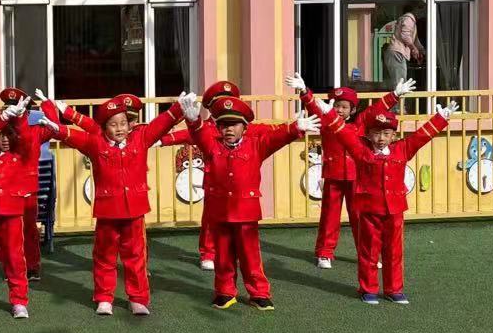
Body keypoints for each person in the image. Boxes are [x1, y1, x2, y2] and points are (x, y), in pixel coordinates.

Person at [301, 75, 455, 305]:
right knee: (368, 251)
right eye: (376, 133)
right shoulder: (361, 150)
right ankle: (368, 288)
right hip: (369, 208)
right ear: (368, 133)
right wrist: (326, 110)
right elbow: (342, 132)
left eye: (386, 134)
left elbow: (421, 137)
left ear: (394, 135)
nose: (381, 138)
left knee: (394, 252)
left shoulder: (401, 149)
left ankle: (394, 289)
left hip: (395, 210)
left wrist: (440, 119)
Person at [41, 91, 186, 316]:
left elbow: (160, 125)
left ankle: (138, 298)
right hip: (108, 211)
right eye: (113, 124)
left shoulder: (141, 138)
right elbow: (73, 136)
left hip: (135, 211)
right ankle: (104, 297)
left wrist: (177, 109)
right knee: (104, 257)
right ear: (104, 127)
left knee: (136, 258)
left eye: (123, 123)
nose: (119, 129)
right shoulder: (95, 143)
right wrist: (57, 128)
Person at [186, 93, 318, 310]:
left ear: (245, 127)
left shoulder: (255, 145)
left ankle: (258, 293)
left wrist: (296, 128)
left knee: (250, 255)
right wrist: (193, 121)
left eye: (234, 124)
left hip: (245, 211)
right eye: (224, 125)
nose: (228, 129)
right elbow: (199, 135)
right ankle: (224, 291)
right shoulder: (212, 146)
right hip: (220, 210)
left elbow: (276, 138)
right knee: (223, 255)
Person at [289, 75, 418, 270]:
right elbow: (314, 107)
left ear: (353, 110)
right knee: (329, 217)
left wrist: (395, 95)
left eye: (344, 107)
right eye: (336, 105)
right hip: (333, 175)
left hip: (357, 177)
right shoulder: (326, 120)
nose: (339, 110)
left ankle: (367, 254)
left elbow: (376, 109)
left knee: (359, 218)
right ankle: (325, 253)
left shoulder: (361, 123)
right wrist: (304, 91)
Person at [0, 95, 64, 320]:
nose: (4, 140)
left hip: (14, 209)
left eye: (9, 135)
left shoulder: (21, 153)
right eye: (1, 135)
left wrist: (25, 116)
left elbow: (28, 139)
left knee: (15, 257)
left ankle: (19, 300)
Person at [158, 80, 243, 272]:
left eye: (229, 102)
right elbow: (186, 135)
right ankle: (208, 253)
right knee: (211, 219)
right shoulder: (207, 127)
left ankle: (234, 251)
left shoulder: (241, 126)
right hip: (214, 181)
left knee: (237, 218)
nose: (225, 106)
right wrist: (162, 140)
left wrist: (294, 128)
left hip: (238, 182)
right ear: (211, 107)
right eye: (220, 103)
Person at [0, 86, 47, 281]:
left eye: (18, 109)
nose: (14, 112)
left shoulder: (32, 131)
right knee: (7, 235)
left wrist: (48, 105)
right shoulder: (1, 131)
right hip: (6, 189)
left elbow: (54, 127)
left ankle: (31, 266)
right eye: (9, 108)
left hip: (28, 188)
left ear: (26, 112)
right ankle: (11, 268)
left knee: (29, 229)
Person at [382, 12, 425, 90]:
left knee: (398, 82)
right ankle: (398, 98)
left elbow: (415, 40)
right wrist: (413, 48)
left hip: (396, 52)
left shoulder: (411, 21)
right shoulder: (409, 19)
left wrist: (422, 50)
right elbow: (405, 36)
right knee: (399, 84)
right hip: (397, 53)